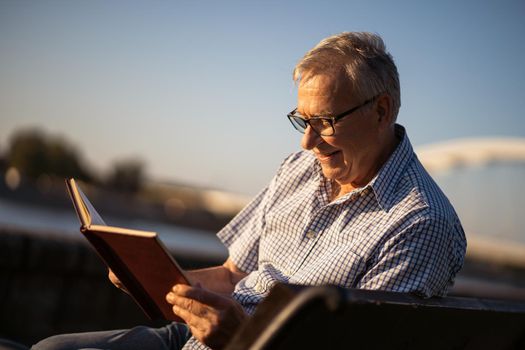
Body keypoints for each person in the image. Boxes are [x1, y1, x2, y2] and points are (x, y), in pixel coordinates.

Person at [32, 31, 466, 350]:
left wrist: (243, 339)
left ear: (382, 110)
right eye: (303, 120)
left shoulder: (420, 224)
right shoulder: (300, 168)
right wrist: (148, 280)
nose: (306, 143)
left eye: (326, 122)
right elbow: (233, 276)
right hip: (195, 339)